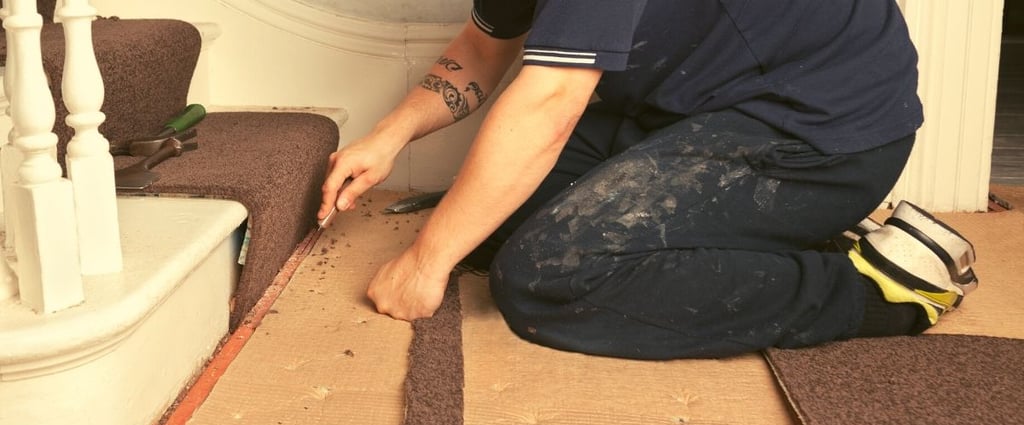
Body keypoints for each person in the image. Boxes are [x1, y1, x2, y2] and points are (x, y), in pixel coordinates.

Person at [319, 0, 978, 359]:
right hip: (701, 104)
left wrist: (425, 261)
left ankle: (876, 289)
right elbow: (484, 48)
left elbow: (550, 103)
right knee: (498, 219)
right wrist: (391, 133)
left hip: (819, 129)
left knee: (545, 275)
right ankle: (768, 228)